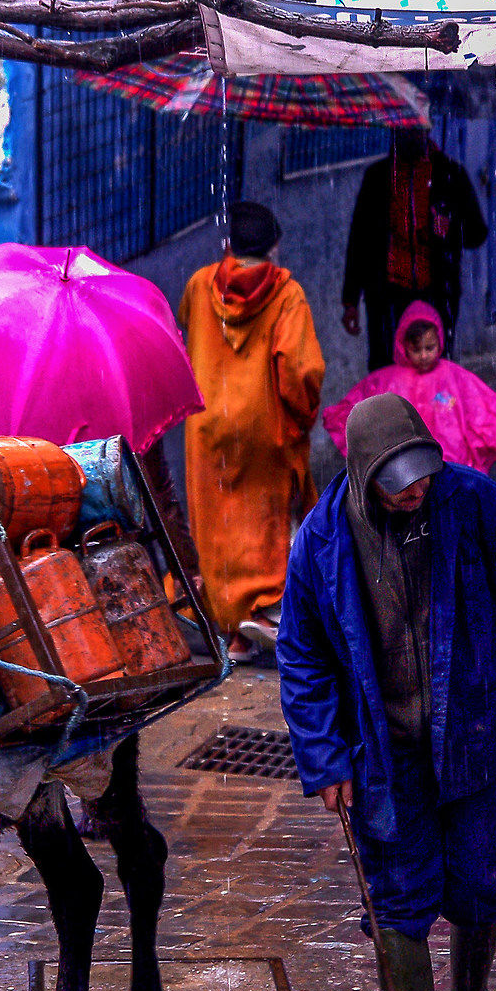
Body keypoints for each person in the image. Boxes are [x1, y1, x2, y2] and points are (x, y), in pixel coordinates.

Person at [278, 394, 496, 991]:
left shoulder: (474, 503)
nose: (417, 490)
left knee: (481, 876)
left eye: (423, 474)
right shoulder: (320, 544)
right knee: (396, 896)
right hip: (381, 748)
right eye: (399, 481)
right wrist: (324, 757)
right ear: (363, 473)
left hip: (472, 726)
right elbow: (302, 656)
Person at [180, 200, 326, 661]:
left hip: (206, 425)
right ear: (275, 246)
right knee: (262, 526)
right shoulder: (287, 295)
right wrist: (300, 418)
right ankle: (258, 614)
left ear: (229, 245)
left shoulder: (201, 284)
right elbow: (300, 369)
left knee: (217, 524)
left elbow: (187, 325)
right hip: (263, 427)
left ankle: (223, 624)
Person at [343, 130, 489, 369]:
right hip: (387, 296)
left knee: (434, 369)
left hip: (436, 293)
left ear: (427, 130)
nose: (409, 135)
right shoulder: (378, 177)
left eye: (416, 129)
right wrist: (350, 300)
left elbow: (477, 233)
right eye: (403, 130)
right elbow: (359, 240)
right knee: (386, 369)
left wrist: (451, 228)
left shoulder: (451, 174)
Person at [322, 301, 496, 473]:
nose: (423, 355)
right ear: (403, 346)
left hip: (450, 461)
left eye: (429, 348)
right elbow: (357, 409)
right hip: (405, 463)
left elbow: (477, 406)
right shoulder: (386, 380)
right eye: (416, 350)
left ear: (440, 342)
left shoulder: (453, 375)